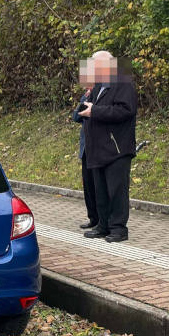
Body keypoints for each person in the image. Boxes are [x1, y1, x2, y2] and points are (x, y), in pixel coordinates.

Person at [77, 51, 138, 242]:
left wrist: (95, 111)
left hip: (116, 148)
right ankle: (102, 225)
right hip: (97, 148)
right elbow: (88, 109)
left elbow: (125, 110)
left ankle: (118, 229)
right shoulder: (99, 86)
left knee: (116, 191)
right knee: (100, 190)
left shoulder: (123, 83)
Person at [71, 58, 99, 230]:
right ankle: (93, 218)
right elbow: (76, 117)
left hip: (98, 147)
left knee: (98, 186)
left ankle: (102, 219)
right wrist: (83, 101)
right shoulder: (86, 95)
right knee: (88, 186)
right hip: (86, 149)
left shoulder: (102, 94)